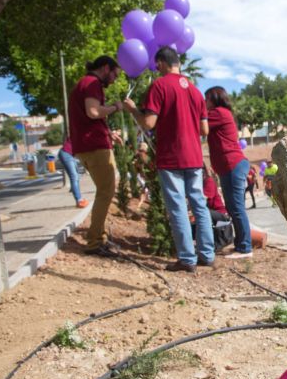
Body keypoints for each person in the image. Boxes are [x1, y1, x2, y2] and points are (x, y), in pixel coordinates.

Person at [124, 46, 214, 273]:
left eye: (157, 66)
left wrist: (134, 110)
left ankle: (187, 259)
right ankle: (207, 255)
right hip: (193, 156)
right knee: (199, 205)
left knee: (177, 208)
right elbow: (205, 129)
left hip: (171, 157)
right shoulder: (195, 90)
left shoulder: (160, 86)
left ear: (161, 63)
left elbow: (148, 123)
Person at [68, 55, 124, 257]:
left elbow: (88, 117)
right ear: (105, 68)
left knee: (104, 191)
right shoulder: (92, 83)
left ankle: (97, 237)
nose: (115, 79)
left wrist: (108, 132)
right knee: (106, 192)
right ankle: (94, 242)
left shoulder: (85, 84)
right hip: (95, 146)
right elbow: (92, 112)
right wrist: (115, 107)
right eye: (114, 75)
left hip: (88, 145)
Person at [204, 86, 253, 259]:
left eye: (207, 98)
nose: (205, 102)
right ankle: (242, 244)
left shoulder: (218, 113)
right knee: (234, 208)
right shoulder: (220, 113)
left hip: (232, 166)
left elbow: (197, 120)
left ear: (215, 98)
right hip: (229, 168)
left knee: (237, 208)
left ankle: (245, 248)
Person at [58, 136, 88, 208]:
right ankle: (79, 201)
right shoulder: (80, 133)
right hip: (66, 154)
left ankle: (78, 196)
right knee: (74, 177)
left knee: (76, 176)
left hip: (69, 154)